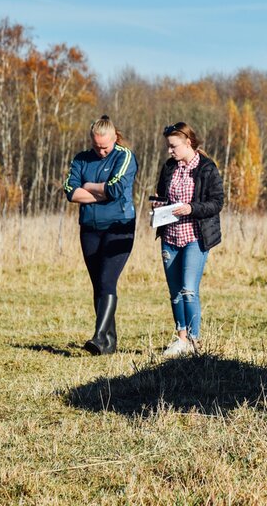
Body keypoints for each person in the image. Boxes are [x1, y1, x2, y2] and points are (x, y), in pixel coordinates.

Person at [63, 115, 137, 355]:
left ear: (115, 138)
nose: (102, 152)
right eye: (97, 147)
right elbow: (71, 192)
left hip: (119, 226)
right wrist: (99, 191)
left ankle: (98, 336)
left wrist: (89, 187)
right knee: (99, 284)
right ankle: (109, 343)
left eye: (105, 147)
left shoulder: (124, 156)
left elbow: (116, 189)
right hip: (89, 229)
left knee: (107, 280)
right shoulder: (81, 159)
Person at [154, 122, 224, 356]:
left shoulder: (206, 168)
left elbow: (217, 203)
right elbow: (164, 197)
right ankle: (180, 337)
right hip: (170, 237)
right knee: (174, 291)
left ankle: (195, 341)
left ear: (188, 143)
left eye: (173, 146)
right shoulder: (169, 167)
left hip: (195, 236)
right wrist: (158, 204)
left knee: (188, 290)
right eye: (168, 146)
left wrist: (191, 208)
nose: (170, 151)